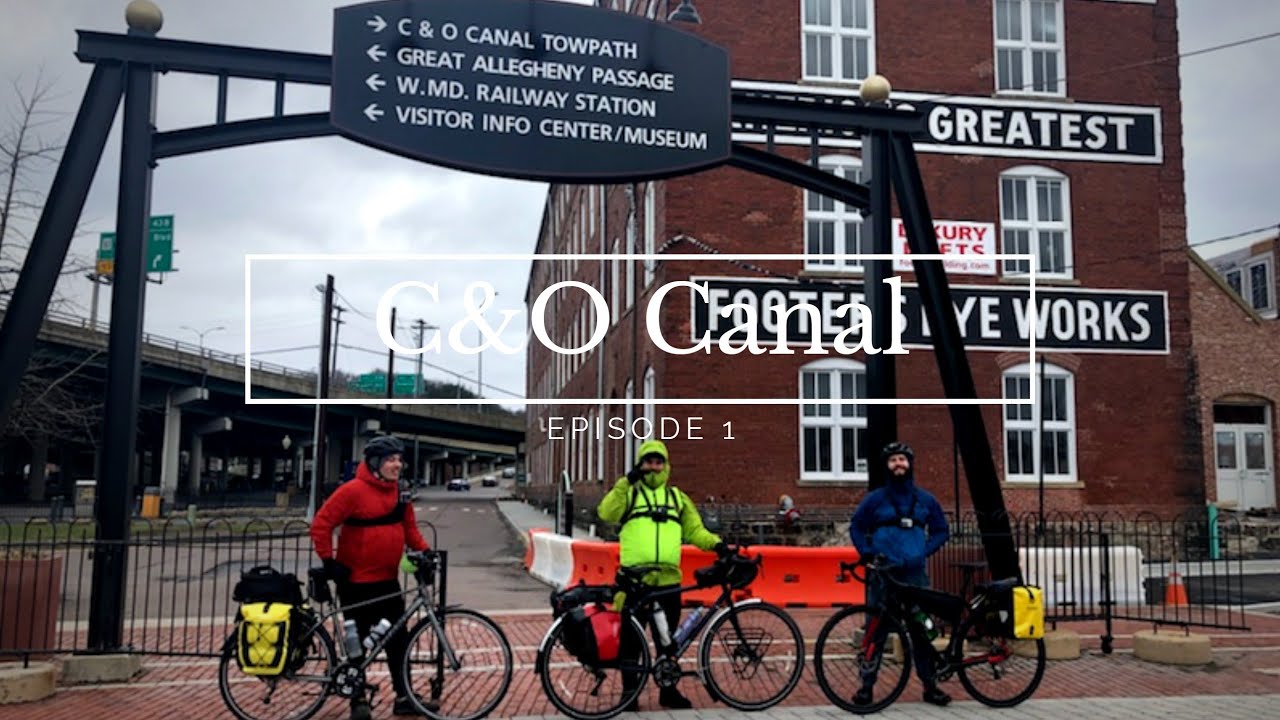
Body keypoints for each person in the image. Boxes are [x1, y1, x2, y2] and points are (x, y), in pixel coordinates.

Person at [597, 439, 727, 712]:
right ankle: (629, 694)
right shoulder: (630, 494)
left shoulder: (677, 498)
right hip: (635, 582)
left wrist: (717, 544)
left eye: (659, 462)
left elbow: (695, 531)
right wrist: (625, 482)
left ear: (666, 466)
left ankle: (668, 692)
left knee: (668, 643)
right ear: (640, 465)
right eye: (648, 462)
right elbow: (606, 512)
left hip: (668, 582)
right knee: (631, 642)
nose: (653, 467)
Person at [310, 435, 432, 719]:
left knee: (397, 642)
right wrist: (329, 562)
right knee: (357, 644)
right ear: (375, 463)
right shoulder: (352, 491)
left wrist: (426, 553)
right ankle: (358, 699)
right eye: (390, 460)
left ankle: (404, 697)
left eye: (399, 460)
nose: (397, 465)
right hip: (355, 582)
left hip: (387, 582)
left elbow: (410, 530)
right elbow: (321, 524)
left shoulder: (400, 493)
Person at [848, 441, 952, 708]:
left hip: (915, 574)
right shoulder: (875, 499)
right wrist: (867, 553)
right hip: (884, 574)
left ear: (910, 464)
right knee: (876, 630)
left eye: (902, 460)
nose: (898, 465)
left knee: (920, 629)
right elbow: (857, 527)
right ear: (887, 465)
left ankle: (930, 686)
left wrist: (924, 551)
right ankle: (866, 687)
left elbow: (941, 530)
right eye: (893, 460)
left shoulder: (925, 500)